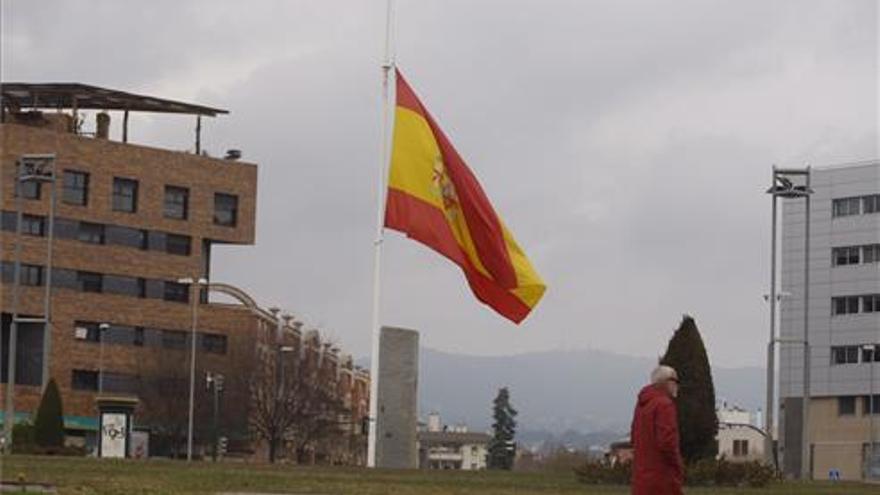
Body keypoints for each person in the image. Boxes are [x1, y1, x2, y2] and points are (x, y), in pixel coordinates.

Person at [630, 365, 684, 495]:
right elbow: (667, 442)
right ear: (666, 382)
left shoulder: (642, 405)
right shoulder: (664, 405)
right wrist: (678, 465)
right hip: (662, 478)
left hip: (641, 478)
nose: (677, 385)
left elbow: (634, 436)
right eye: (675, 381)